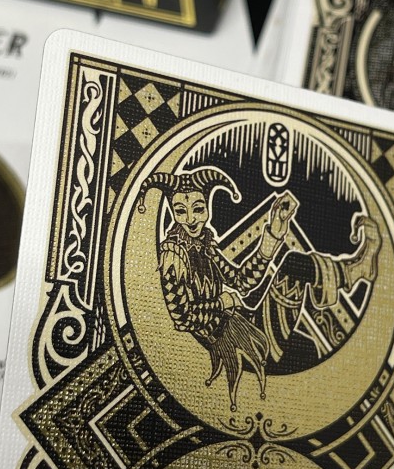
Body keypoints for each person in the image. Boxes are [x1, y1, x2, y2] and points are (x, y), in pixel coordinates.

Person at [137, 167, 381, 412]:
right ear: (173, 212)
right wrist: (221, 303)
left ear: (208, 209)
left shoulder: (205, 245)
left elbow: (242, 281)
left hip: (244, 323)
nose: (191, 219)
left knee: (306, 347)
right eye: (181, 211)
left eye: (198, 209)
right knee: (295, 265)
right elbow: (181, 316)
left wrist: (274, 232)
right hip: (231, 341)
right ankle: (355, 271)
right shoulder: (172, 255)